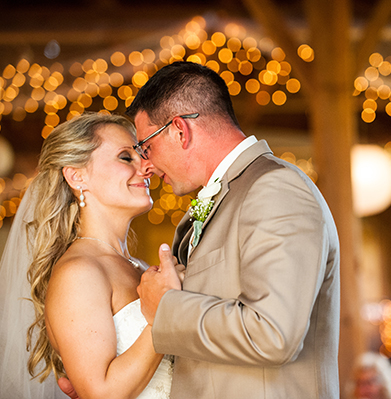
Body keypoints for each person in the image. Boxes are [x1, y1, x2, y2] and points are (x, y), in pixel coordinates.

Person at [128, 61, 340, 398]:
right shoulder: (227, 196)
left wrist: (166, 305)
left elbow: (273, 335)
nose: (147, 166)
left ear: (180, 130)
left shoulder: (276, 188)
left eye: (146, 147)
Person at [0, 113, 178, 399]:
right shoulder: (79, 272)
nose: (148, 166)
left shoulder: (136, 266)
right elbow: (101, 393)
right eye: (125, 157)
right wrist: (159, 319)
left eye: (142, 155)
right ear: (76, 176)